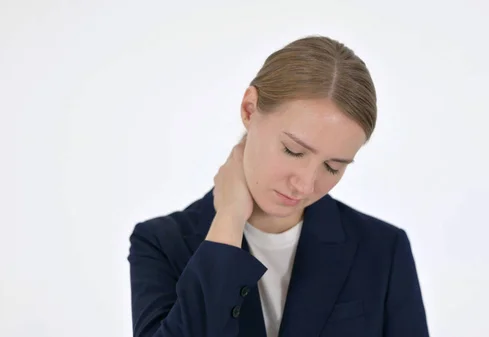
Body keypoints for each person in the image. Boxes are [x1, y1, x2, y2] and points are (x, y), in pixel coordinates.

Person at [128, 35, 429, 337]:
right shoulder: (161, 243)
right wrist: (229, 219)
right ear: (249, 109)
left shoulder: (383, 249)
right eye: (293, 150)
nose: (305, 185)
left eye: (332, 167)